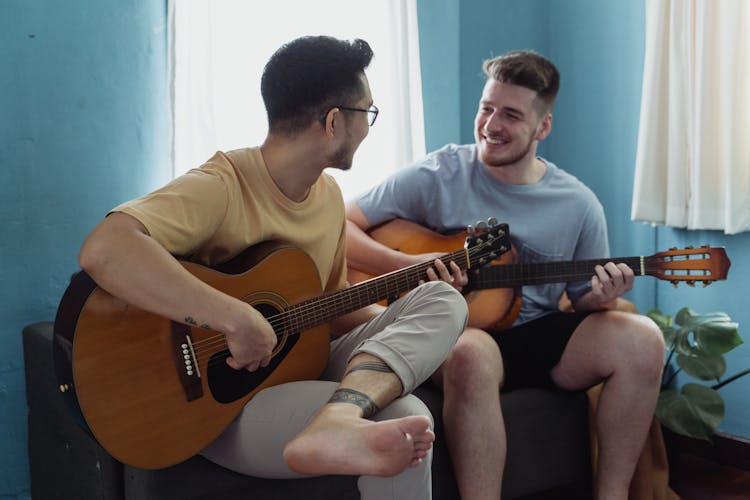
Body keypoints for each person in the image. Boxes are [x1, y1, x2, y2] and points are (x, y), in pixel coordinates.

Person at [78, 35, 468, 500]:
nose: (369, 126)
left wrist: (402, 314)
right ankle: (335, 423)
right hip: (221, 405)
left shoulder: (327, 201)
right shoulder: (221, 185)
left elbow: (331, 310)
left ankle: (337, 421)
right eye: (368, 112)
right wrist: (235, 317)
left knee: (441, 302)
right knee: (409, 419)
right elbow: (105, 249)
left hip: (301, 373)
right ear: (333, 121)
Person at [346, 50, 666, 500]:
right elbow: (341, 225)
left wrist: (603, 295)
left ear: (542, 127)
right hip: (462, 332)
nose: (491, 125)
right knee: (471, 354)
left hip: (537, 333)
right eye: (486, 107)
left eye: (511, 115)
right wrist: (411, 267)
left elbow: (586, 302)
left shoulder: (578, 204)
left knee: (643, 339)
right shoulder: (439, 173)